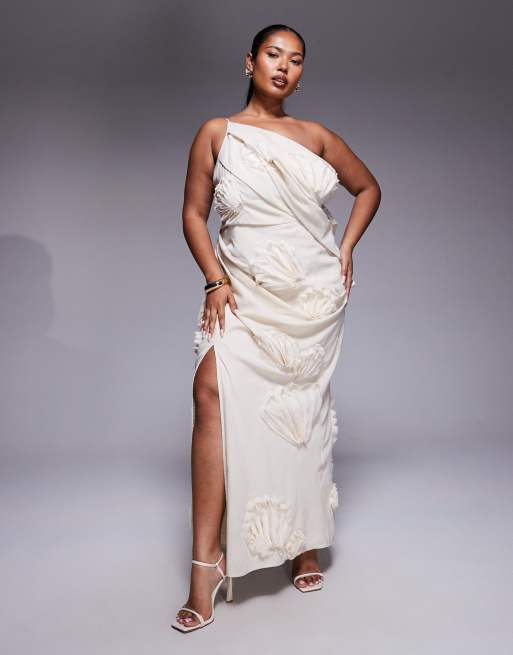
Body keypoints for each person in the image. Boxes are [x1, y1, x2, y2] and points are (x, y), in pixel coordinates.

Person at [172, 23, 381, 633]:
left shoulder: (316, 136)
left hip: (310, 295)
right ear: (250, 62)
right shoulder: (217, 133)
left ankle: (303, 540)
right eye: (273, 54)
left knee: (299, 413)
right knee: (210, 394)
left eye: (296, 59)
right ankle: (204, 566)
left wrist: (346, 248)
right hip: (242, 289)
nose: (284, 67)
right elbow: (193, 214)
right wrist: (214, 278)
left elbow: (367, 188)